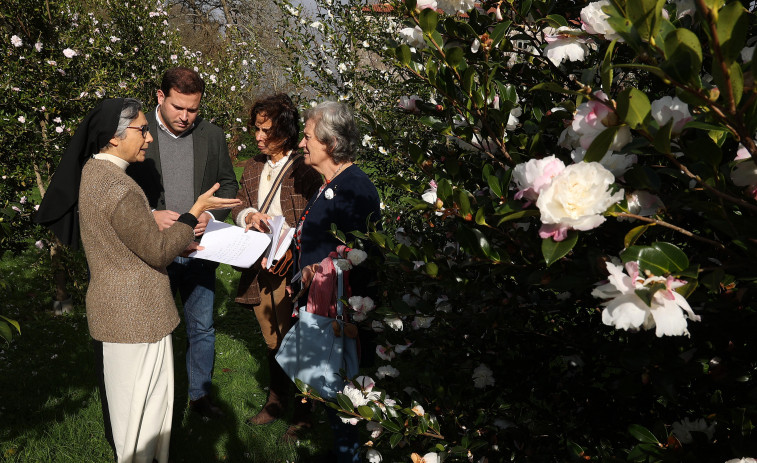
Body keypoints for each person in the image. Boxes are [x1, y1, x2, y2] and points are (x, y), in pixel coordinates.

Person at [37, 98, 242, 463]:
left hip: (118, 312)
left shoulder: (94, 174)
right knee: (141, 416)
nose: (148, 138)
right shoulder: (119, 187)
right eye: (142, 130)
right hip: (136, 317)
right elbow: (160, 251)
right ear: (113, 138)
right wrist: (194, 212)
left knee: (130, 409)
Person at [127, 67, 238, 419]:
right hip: (155, 251)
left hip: (200, 252)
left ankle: (199, 398)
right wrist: (150, 216)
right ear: (160, 97)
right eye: (179, 108)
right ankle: (151, 402)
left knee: (202, 326)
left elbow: (228, 184)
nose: (186, 117)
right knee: (152, 329)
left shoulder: (212, 136)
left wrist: (213, 218)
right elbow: (118, 189)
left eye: (193, 109)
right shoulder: (136, 135)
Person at [294, 101, 381, 462]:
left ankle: (349, 457)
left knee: (343, 395)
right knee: (330, 393)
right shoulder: (330, 183)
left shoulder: (354, 188)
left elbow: (362, 257)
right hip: (322, 308)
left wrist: (351, 320)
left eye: (307, 136)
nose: (301, 143)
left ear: (330, 143)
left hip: (341, 315)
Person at [231, 94, 321, 428]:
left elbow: (315, 220)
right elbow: (238, 205)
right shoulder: (254, 166)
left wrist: (292, 249)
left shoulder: (305, 168)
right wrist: (248, 215)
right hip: (260, 268)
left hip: (293, 269)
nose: (258, 136)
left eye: (265, 130)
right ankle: (277, 399)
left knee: (297, 339)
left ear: (284, 130)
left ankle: (304, 410)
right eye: (256, 128)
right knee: (273, 340)